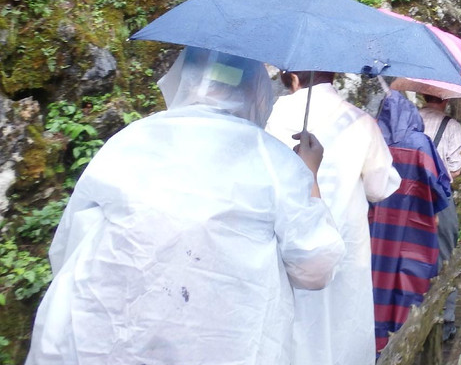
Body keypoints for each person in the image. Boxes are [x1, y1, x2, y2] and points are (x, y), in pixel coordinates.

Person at [26, 47, 345, 365]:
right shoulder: (275, 162)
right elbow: (315, 266)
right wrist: (309, 173)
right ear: (257, 91)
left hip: (101, 336)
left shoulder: (131, 139)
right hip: (224, 343)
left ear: (184, 79)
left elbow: (69, 243)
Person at [265, 70, 401, 365]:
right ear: (335, 76)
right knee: (342, 324)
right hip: (345, 242)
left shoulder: (272, 114)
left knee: (290, 322)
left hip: (284, 239)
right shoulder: (362, 121)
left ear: (292, 78)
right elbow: (380, 188)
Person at [368, 90, 452, 354]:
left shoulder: (372, 141)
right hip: (415, 225)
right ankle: (408, 341)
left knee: (374, 281)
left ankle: (376, 344)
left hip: (375, 227)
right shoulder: (420, 143)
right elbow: (441, 188)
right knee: (409, 278)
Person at [418, 94, 461, 341]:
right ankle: (445, 319)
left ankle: (412, 316)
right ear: (445, 100)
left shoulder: (409, 119)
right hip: (439, 199)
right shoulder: (451, 125)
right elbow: (455, 169)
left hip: (409, 197)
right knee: (444, 254)